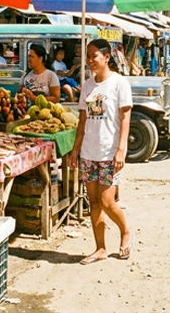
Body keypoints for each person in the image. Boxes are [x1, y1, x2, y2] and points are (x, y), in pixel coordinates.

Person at [68, 39, 133, 265]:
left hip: (109, 152)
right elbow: (83, 120)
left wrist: (121, 150)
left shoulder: (119, 84)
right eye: (88, 56)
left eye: (94, 55)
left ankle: (125, 231)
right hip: (89, 152)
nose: (90, 60)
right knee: (93, 201)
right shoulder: (87, 85)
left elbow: (125, 118)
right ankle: (100, 248)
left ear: (106, 57)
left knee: (107, 200)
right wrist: (75, 150)